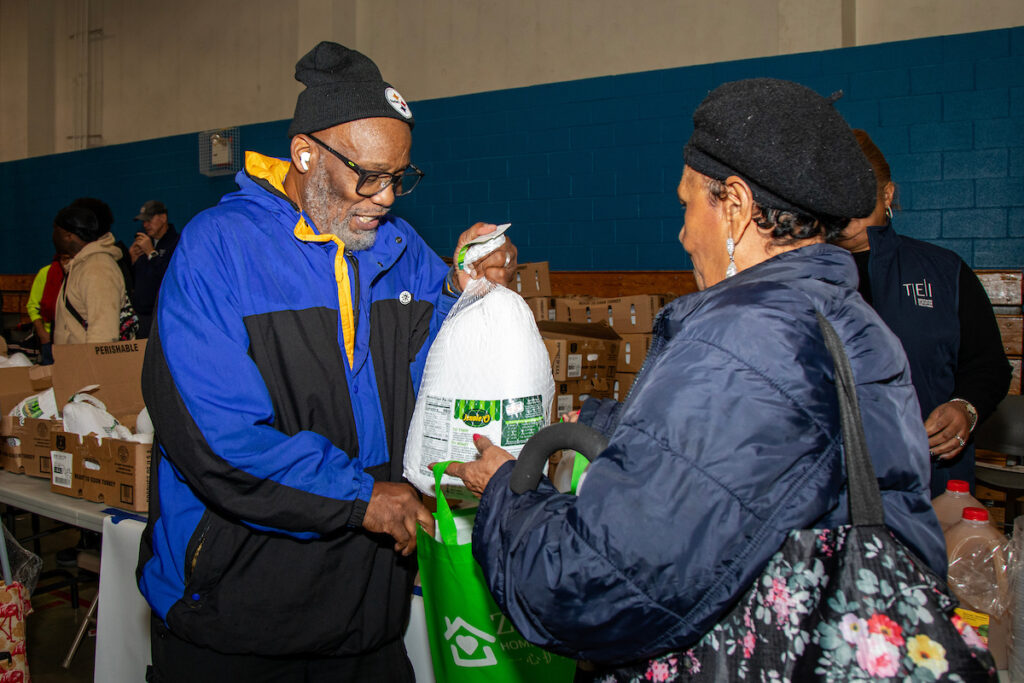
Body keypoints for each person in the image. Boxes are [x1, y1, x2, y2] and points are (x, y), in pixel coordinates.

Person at [444, 79, 947, 673]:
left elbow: (589, 583)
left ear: (734, 206)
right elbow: (763, 466)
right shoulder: (852, 321)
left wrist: (507, 491)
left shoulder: (742, 337)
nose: (683, 233)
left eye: (688, 205)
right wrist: (613, 424)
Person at [135, 41, 516, 682]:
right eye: (368, 175)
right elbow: (216, 441)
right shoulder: (220, 250)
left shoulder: (398, 247)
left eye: (400, 177)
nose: (387, 196)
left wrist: (465, 288)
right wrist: (361, 497)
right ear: (306, 153)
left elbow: (437, 367)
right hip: (237, 616)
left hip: (365, 615)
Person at [835, 130, 1011, 497]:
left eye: (859, 190)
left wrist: (966, 409)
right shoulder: (799, 276)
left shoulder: (944, 271)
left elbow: (988, 366)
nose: (846, 205)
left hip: (929, 482)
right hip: (829, 486)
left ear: (887, 195)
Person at [52, 205, 129, 344]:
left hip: (90, 363)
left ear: (68, 235)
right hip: (74, 362)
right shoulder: (82, 264)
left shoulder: (98, 268)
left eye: (55, 229)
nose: (52, 235)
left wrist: (93, 366)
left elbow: (104, 334)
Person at [129, 200, 179, 338]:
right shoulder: (145, 243)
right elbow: (138, 282)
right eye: (144, 221)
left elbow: (170, 278)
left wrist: (151, 254)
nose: (145, 225)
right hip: (141, 317)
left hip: (163, 317)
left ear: (163, 218)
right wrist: (132, 261)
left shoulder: (176, 243)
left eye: (149, 220)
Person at [25, 253, 69, 364]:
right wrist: (42, 333)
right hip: (50, 336)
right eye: (65, 259)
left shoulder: (80, 274)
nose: (67, 263)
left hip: (73, 338)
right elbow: (33, 306)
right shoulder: (46, 273)